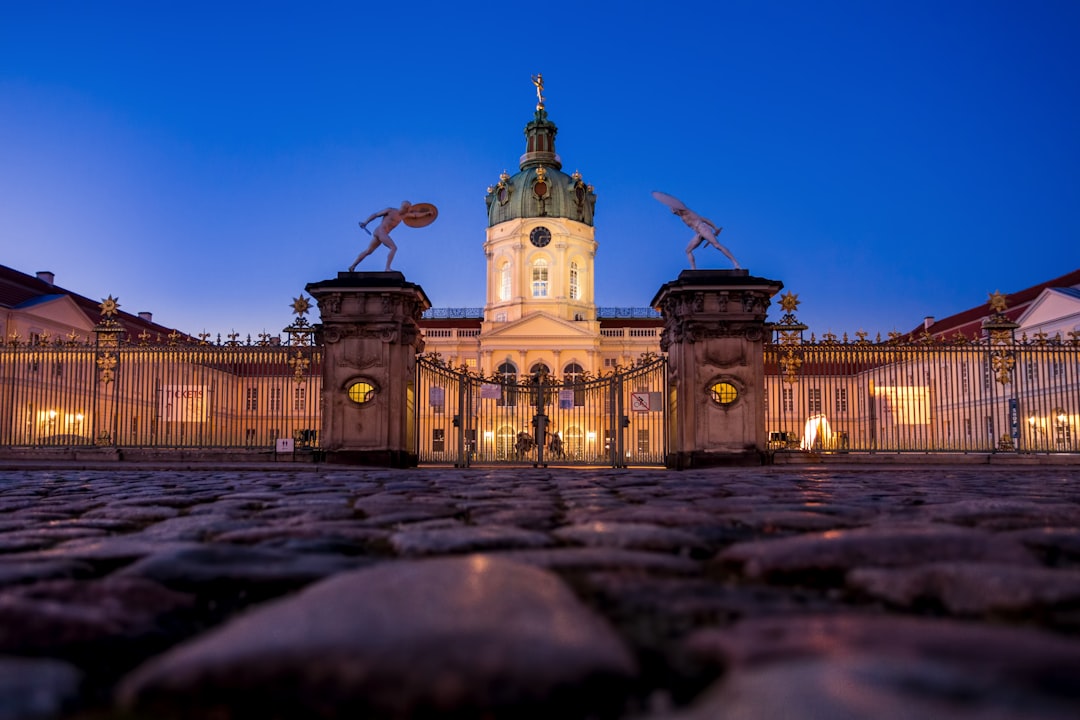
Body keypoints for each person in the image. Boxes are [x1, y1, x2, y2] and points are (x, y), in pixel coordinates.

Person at [349, 201, 433, 272]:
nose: (407, 210)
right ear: (403, 207)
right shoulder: (391, 211)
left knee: (369, 251)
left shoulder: (404, 215)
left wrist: (427, 213)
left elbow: (415, 215)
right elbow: (376, 215)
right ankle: (387, 268)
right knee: (393, 248)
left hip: (383, 233)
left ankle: (352, 266)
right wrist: (365, 222)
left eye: (408, 209)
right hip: (380, 231)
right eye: (406, 208)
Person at [673, 206, 741, 270]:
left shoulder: (688, 213)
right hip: (698, 233)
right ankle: (693, 269)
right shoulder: (682, 217)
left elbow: (705, 219)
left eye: (675, 211)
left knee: (717, 245)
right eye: (673, 212)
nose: (674, 213)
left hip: (703, 229)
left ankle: (736, 263)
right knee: (688, 250)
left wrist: (715, 228)